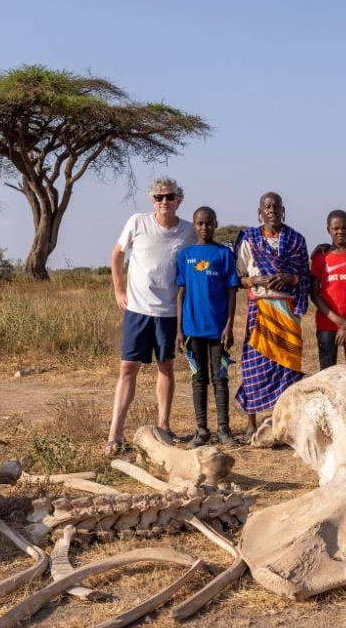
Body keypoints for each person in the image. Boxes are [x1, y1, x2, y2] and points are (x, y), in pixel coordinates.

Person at [106, 176, 195, 455]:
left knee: (166, 366)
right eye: (159, 197)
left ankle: (164, 426)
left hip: (169, 311)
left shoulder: (189, 232)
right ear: (152, 201)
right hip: (138, 310)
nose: (164, 202)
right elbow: (117, 255)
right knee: (127, 368)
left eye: (169, 197)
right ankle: (115, 433)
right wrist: (119, 290)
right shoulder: (137, 222)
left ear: (179, 200)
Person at [234, 192, 311, 439]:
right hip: (260, 309)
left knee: (287, 367)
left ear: (283, 210)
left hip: (287, 311)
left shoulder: (297, 240)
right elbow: (238, 278)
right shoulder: (249, 238)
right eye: (267, 207)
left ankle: (286, 424)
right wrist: (255, 279)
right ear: (260, 212)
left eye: (276, 206)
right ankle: (251, 423)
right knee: (253, 364)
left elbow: (306, 276)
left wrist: (292, 278)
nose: (272, 210)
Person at [176, 206, 240, 447]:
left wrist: (229, 326)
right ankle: (201, 430)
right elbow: (181, 293)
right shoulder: (185, 256)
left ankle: (224, 429)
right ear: (194, 226)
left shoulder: (224, 255)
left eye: (209, 223)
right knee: (198, 378)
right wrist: (180, 330)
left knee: (221, 377)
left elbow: (232, 292)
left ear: (215, 224)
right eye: (200, 223)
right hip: (193, 331)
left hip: (218, 331)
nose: (205, 227)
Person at [310, 210, 346, 370]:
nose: (340, 232)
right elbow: (315, 295)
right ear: (328, 229)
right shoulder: (320, 258)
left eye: (344, 228)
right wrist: (337, 320)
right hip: (326, 324)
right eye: (336, 228)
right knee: (327, 372)